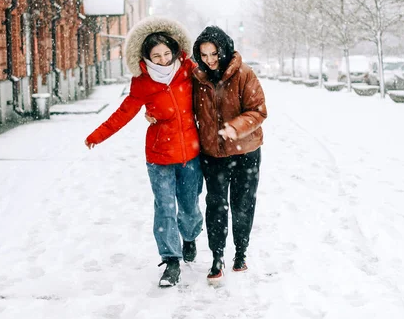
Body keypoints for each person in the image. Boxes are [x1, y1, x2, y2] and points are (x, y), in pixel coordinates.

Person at [84, 16, 203, 288]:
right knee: (164, 208)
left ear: (175, 52)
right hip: (159, 157)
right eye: (156, 55)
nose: (162, 60)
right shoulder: (142, 83)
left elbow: (213, 90)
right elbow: (122, 114)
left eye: (166, 54)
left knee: (190, 207)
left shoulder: (190, 71)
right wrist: (97, 136)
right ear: (146, 57)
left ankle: (190, 236)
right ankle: (171, 260)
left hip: (191, 155)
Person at [191, 26, 267, 283]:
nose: (209, 60)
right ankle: (217, 256)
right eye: (204, 55)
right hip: (213, 153)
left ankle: (241, 252)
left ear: (224, 51)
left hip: (246, 152)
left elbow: (258, 111)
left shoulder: (244, 74)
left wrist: (236, 127)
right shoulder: (197, 78)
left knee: (242, 204)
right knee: (215, 206)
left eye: (214, 53)